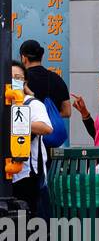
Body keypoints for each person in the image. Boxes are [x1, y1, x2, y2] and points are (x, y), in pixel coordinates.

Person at [9, 61, 53, 215]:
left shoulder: (32, 104)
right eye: (10, 77)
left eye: (18, 77)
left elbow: (46, 128)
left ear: (24, 82)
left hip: (26, 174)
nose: (13, 81)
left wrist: (17, 121)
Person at [19, 39, 70, 120]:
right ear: (41, 56)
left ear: (23, 58)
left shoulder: (20, 80)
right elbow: (67, 112)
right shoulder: (56, 78)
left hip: (31, 130)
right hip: (53, 131)